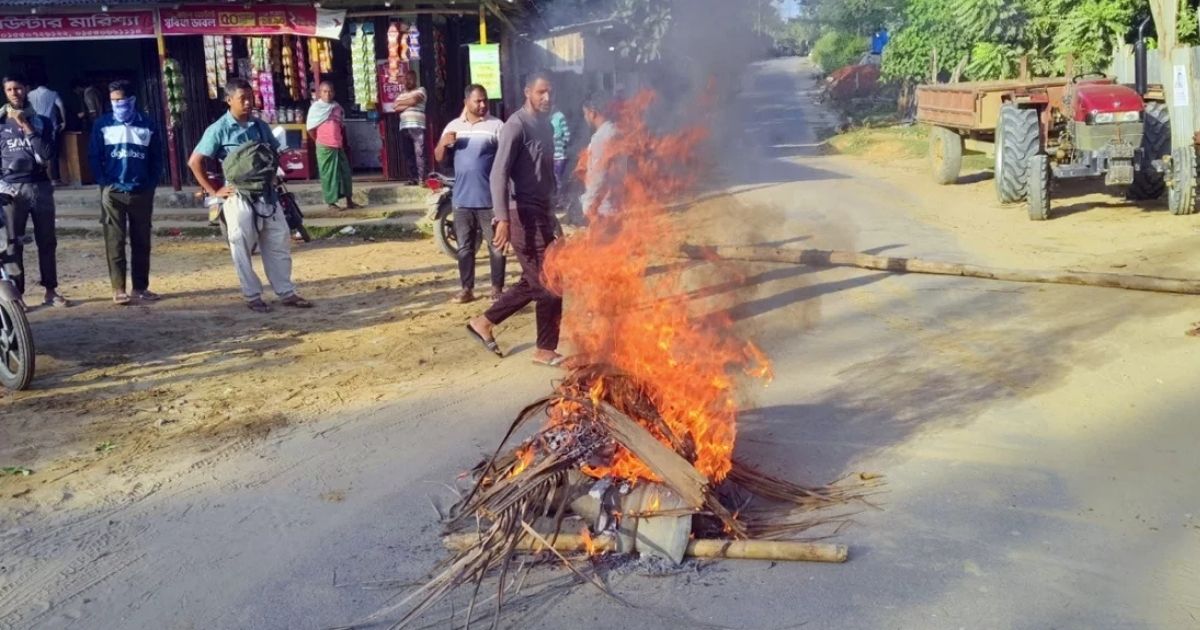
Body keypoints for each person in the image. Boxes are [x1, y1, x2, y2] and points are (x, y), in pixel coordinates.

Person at [187, 78, 312, 313]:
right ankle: (253, 295)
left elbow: (275, 152)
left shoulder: (260, 126)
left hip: (268, 194)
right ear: (229, 100)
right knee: (240, 244)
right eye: (242, 98)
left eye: (250, 98)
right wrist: (214, 191)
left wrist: (274, 173)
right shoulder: (218, 129)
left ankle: (286, 292)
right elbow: (195, 162)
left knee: (278, 241)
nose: (248, 103)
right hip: (238, 194)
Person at [466, 71, 564, 367]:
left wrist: (553, 216)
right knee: (548, 283)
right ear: (527, 92)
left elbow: (545, 175)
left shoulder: (546, 127)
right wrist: (502, 219)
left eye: (550, 93)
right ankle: (545, 350)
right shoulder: (515, 126)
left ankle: (483, 321)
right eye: (540, 93)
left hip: (541, 213)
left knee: (535, 279)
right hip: (519, 214)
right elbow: (498, 174)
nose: (546, 98)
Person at [88, 79, 163, 305]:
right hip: (112, 192)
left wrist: (150, 183)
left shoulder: (148, 125)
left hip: (141, 190)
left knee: (141, 240)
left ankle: (140, 287)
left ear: (132, 100)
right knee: (115, 240)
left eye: (122, 100)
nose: (118, 104)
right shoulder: (102, 124)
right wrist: (104, 182)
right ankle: (118, 288)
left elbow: (157, 158)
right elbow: (94, 156)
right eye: (114, 101)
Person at [1, 74, 69, 308]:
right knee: (12, 243)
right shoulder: (0, 122)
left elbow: (48, 154)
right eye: (9, 89)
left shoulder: (41, 121)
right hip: (11, 190)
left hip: (40, 186)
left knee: (47, 240)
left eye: (18, 89)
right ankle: (16, 296)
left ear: (26, 90)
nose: (14, 93)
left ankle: (51, 290)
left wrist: (26, 125)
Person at [434, 84, 506, 304]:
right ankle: (467, 289)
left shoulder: (497, 126)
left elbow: (506, 160)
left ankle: (497, 289)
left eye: (485, 100)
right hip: (461, 200)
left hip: (488, 200)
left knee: (496, 247)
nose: (483, 105)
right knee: (465, 248)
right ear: (466, 102)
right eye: (478, 101)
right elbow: (438, 157)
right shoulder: (453, 126)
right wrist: (443, 144)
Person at [307, 81, 359, 212]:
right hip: (324, 146)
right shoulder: (315, 108)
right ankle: (331, 203)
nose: (328, 94)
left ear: (334, 93)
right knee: (329, 175)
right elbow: (310, 129)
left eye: (330, 91)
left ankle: (349, 200)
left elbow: (341, 126)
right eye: (325, 91)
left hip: (338, 145)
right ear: (320, 93)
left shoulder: (336, 107)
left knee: (345, 173)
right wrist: (319, 141)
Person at [579, 92, 623, 218]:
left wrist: (589, 203)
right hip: (616, 204)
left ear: (592, 113)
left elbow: (598, 174)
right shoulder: (616, 132)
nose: (585, 117)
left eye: (585, 113)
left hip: (602, 210)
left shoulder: (600, 138)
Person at [27, 76, 66, 185]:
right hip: (49, 126)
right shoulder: (53, 94)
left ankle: (38, 178)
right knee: (51, 152)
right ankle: (54, 179)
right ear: (47, 83)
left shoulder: (30, 94)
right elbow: (61, 106)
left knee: (35, 150)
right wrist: (64, 121)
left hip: (34, 126)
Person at [393, 71, 427, 185]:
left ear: (415, 79)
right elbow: (395, 107)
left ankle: (422, 178)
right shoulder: (401, 94)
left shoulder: (421, 90)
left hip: (417, 125)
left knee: (419, 152)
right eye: (406, 79)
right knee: (408, 154)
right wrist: (410, 103)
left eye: (410, 79)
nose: (408, 81)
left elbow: (414, 100)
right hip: (404, 126)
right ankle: (412, 178)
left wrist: (404, 103)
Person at [550, 109, 570, 193]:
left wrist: (559, 143)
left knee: (558, 179)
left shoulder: (559, 116)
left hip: (559, 156)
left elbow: (567, 135)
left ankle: (561, 199)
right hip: (548, 156)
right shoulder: (543, 117)